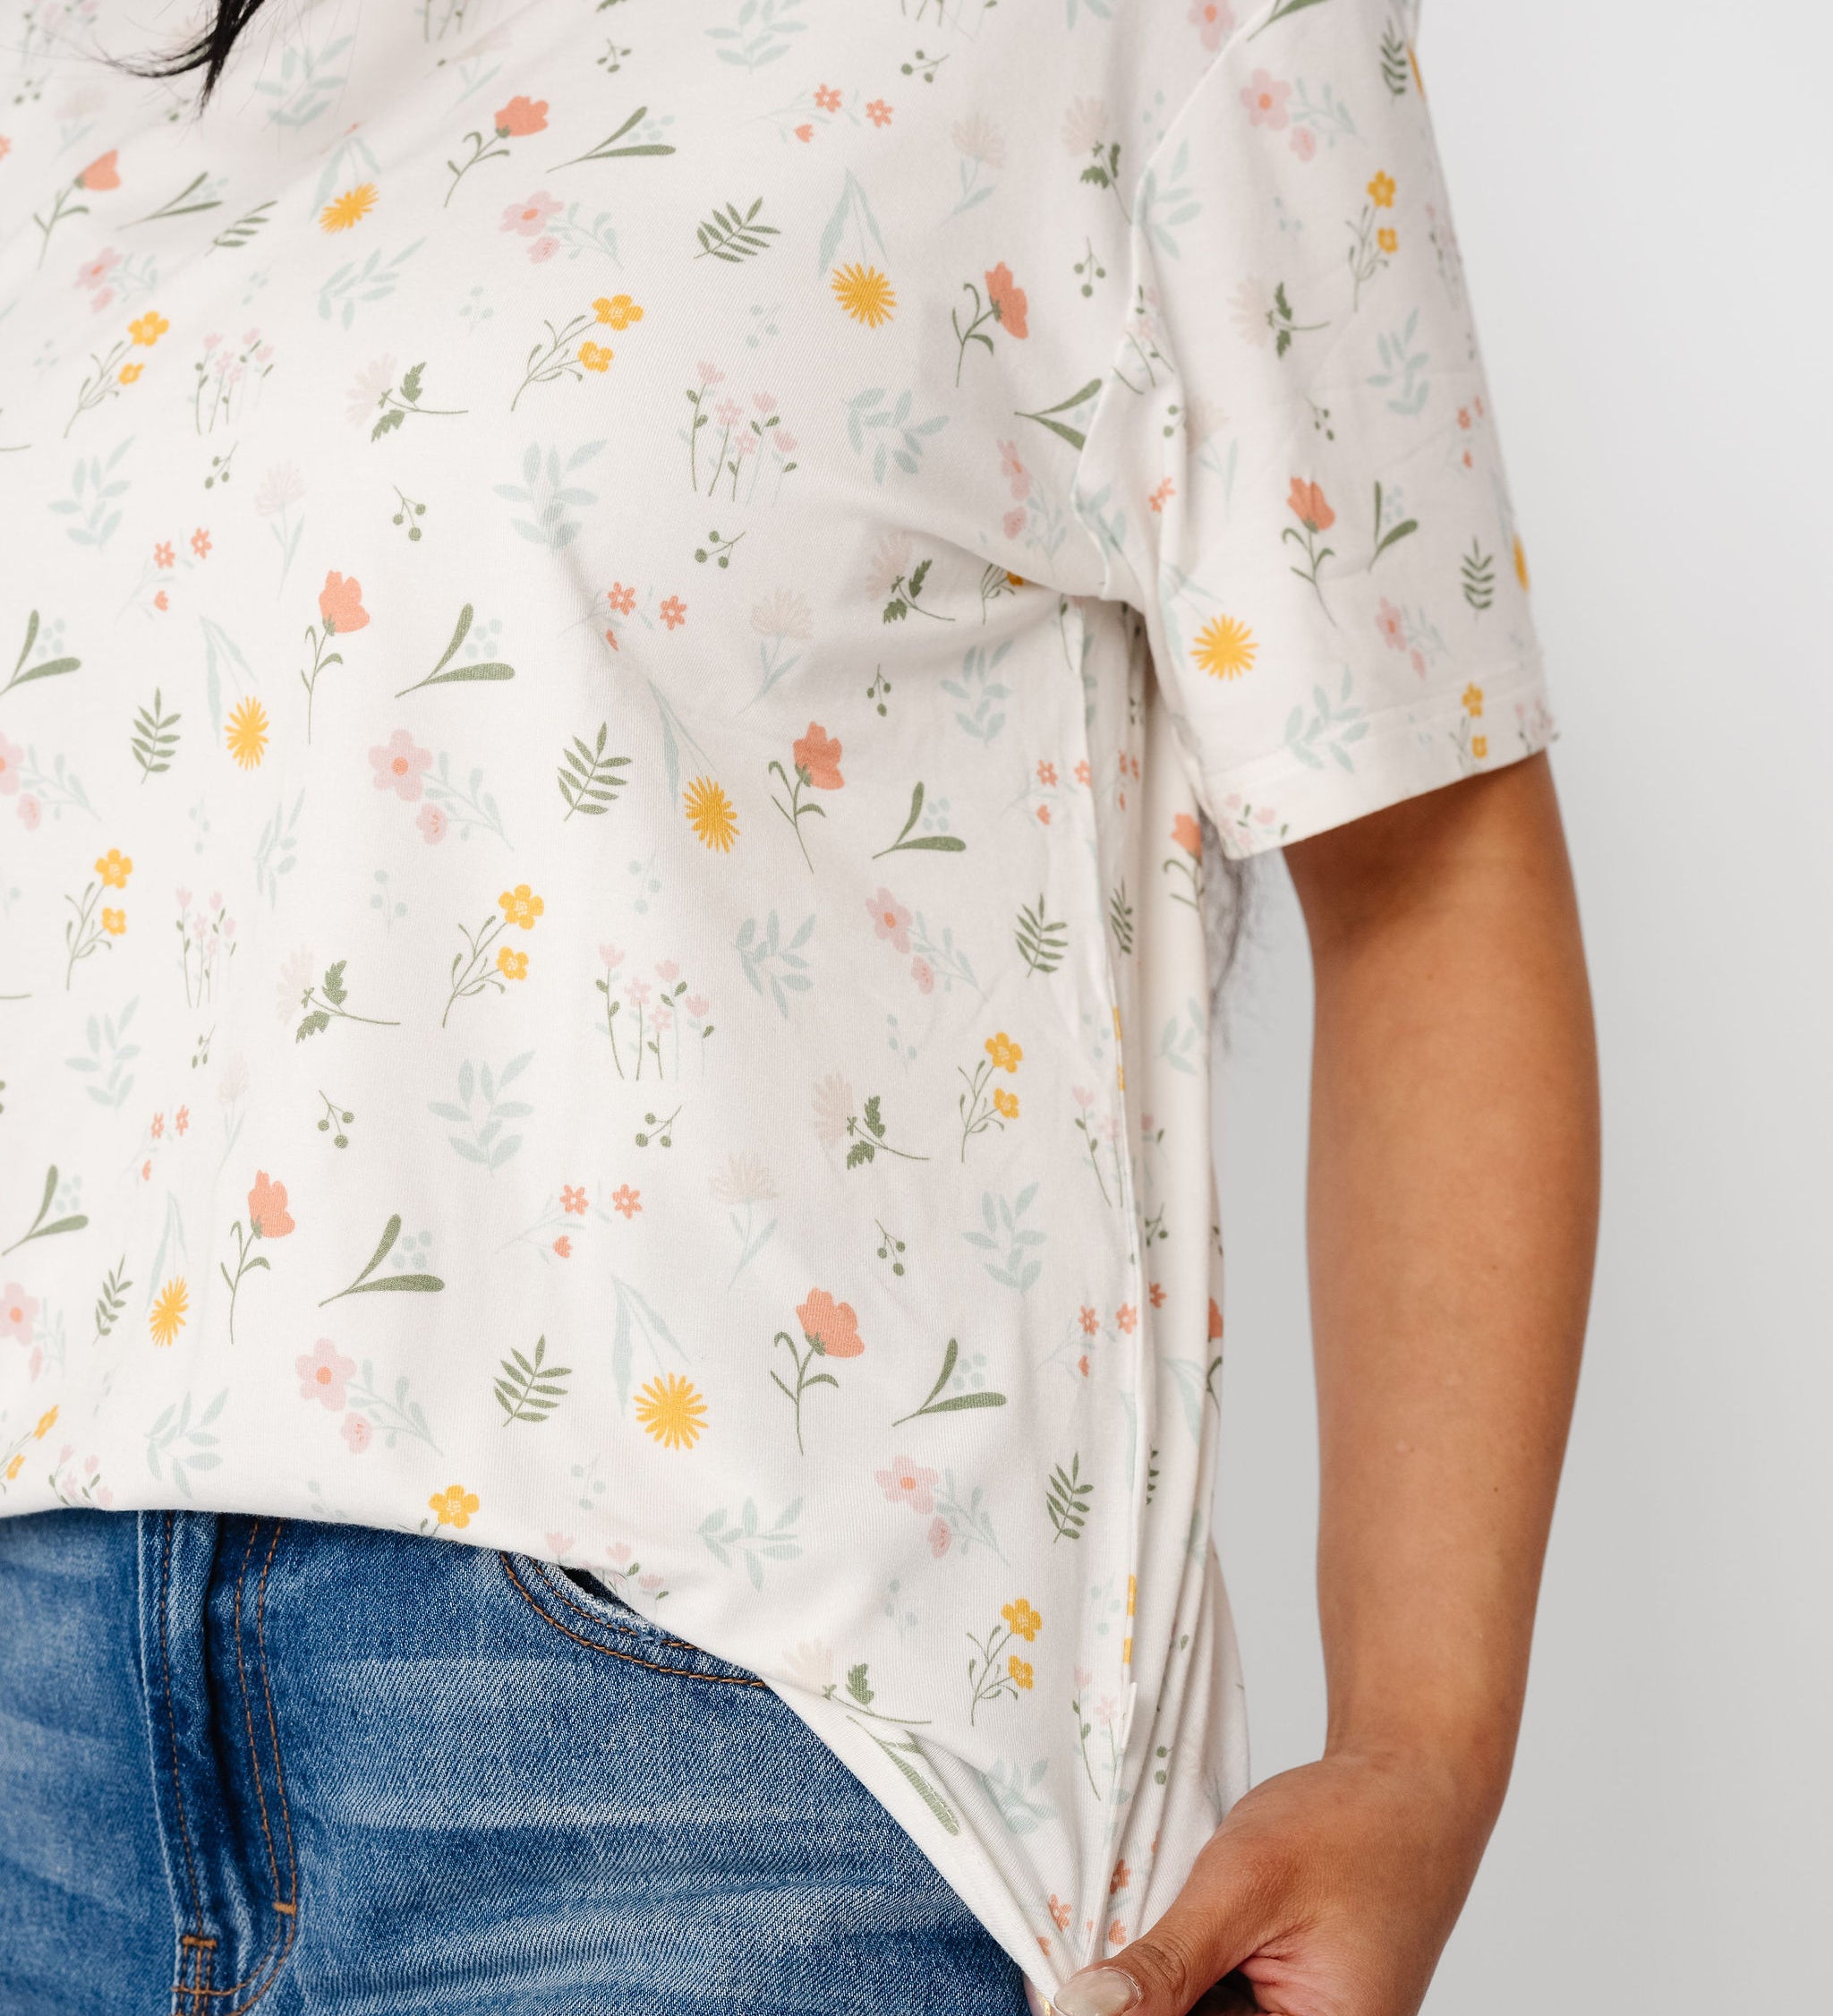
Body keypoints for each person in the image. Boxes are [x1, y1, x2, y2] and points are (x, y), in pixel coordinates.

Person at [0, 0, 1598, 2010]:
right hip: (34, 1739)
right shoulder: (69, 50)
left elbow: (1425, 864)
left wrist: (1418, 1751)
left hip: (713, 1764)